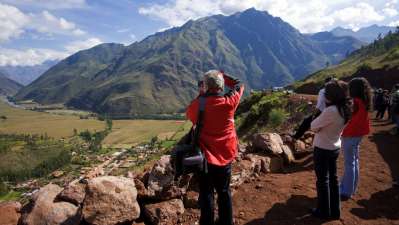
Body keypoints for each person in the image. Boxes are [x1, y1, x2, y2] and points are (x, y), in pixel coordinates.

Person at [186, 70, 244, 225]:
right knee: (224, 191)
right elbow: (239, 85)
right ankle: (226, 222)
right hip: (226, 154)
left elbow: (190, 115)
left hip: (206, 157)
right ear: (221, 86)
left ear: (205, 86)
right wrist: (223, 76)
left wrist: (201, 94)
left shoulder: (199, 104)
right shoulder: (230, 101)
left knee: (206, 193)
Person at [310, 80, 351, 220]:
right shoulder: (344, 108)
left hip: (322, 148)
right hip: (334, 147)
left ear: (332, 95)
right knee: (333, 179)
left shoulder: (331, 111)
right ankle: (335, 211)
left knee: (322, 181)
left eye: (326, 93)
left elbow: (313, 126)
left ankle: (323, 211)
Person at [339, 78, 372, 200]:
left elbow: (346, 117)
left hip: (350, 135)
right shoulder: (364, 101)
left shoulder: (354, 102)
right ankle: (351, 188)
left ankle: (345, 191)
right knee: (354, 161)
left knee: (349, 163)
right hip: (358, 135)